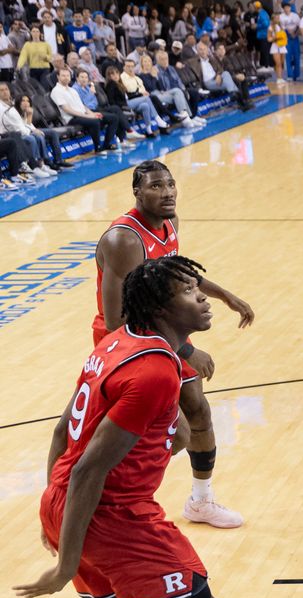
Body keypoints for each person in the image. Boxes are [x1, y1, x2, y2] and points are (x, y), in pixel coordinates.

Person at [15, 256, 251, 598]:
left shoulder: (116, 342)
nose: (202, 297)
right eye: (188, 292)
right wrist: (65, 565)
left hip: (64, 500)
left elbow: (60, 431)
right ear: (161, 308)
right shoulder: (154, 372)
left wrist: (53, 511)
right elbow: (90, 469)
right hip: (112, 517)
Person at [92, 161, 255, 529]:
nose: (166, 192)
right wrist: (185, 351)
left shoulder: (170, 223)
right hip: (125, 345)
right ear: (137, 192)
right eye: (154, 186)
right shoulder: (124, 240)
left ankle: (201, 501)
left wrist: (226, 296)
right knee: (172, 431)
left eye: (170, 184)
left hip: (163, 332)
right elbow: (119, 321)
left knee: (198, 412)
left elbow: (179, 272)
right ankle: (109, 495)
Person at [50, 67, 119, 155]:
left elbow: (82, 105)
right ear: (58, 77)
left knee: (113, 118)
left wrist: (93, 113)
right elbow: (67, 109)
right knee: (95, 121)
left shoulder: (72, 90)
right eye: (63, 75)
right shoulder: (56, 91)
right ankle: (97, 148)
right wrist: (88, 116)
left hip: (83, 115)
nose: (66, 77)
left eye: (68, 75)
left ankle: (106, 144)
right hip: (71, 118)